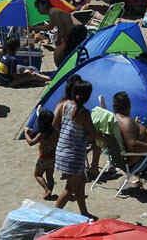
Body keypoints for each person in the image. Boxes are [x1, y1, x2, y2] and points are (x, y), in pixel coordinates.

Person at [53, 77, 97, 218]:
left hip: (62, 150)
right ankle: (52, 217)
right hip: (74, 154)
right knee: (69, 188)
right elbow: (92, 134)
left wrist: (67, 134)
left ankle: (84, 213)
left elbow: (55, 124)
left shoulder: (65, 105)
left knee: (80, 183)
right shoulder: (84, 113)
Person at [24, 108, 57, 200]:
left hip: (43, 158)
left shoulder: (42, 134)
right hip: (53, 157)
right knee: (50, 176)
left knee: (37, 175)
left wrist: (26, 133)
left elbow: (31, 142)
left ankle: (47, 190)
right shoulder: (54, 131)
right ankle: (49, 192)